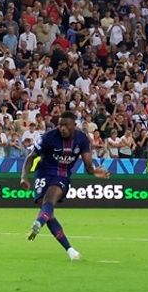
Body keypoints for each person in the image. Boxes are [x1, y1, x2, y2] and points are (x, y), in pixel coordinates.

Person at [20, 111, 109, 260]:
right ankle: (70, 250)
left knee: (50, 200)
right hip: (43, 173)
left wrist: (94, 171)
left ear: (74, 125)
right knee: (48, 213)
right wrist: (24, 177)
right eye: (60, 125)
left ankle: (38, 223)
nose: (62, 128)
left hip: (62, 175)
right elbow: (30, 157)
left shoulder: (81, 139)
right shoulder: (48, 137)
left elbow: (88, 165)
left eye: (66, 125)